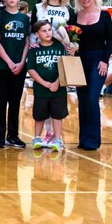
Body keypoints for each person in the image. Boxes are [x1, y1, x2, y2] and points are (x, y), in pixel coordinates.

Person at [33, 0, 76, 144]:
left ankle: (55, 135)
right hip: (42, 53)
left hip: (60, 53)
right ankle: (48, 132)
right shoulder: (38, 7)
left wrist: (74, 47)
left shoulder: (68, 10)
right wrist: (32, 43)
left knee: (56, 95)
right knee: (44, 96)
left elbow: (74, 33)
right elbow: (32, 30)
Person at [72, 0, 112, 150]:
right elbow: (70, 38)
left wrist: (105, 60)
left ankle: (93, 141)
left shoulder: (104, 15)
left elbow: (111, 40)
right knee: (82, 100)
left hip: (98, 61)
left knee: (92, 98)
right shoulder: (75, 16)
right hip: (79, 61)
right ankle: (83, 139)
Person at [0, 0, 31, 148]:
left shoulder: (25, 19)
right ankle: (0, 136)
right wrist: (9, 62)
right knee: (0, 102)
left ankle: (13, 135)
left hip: (19, 67)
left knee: (15, 102)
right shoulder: (0, 16)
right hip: (2, 66)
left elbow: (27, 42)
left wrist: (22, 62)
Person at [27, 21, 68, 150]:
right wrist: (44, 83)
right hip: (41, 89)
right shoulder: (34, 50)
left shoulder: (60, 47)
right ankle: (37, 138)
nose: (48, 33)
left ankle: (57, 139)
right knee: (39, 115)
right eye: (44, 31)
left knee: (57, 115)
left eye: (49, 30)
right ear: (37, 34)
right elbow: (31, 69)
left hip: (58, 89)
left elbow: (65, 66)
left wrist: (57, 82)